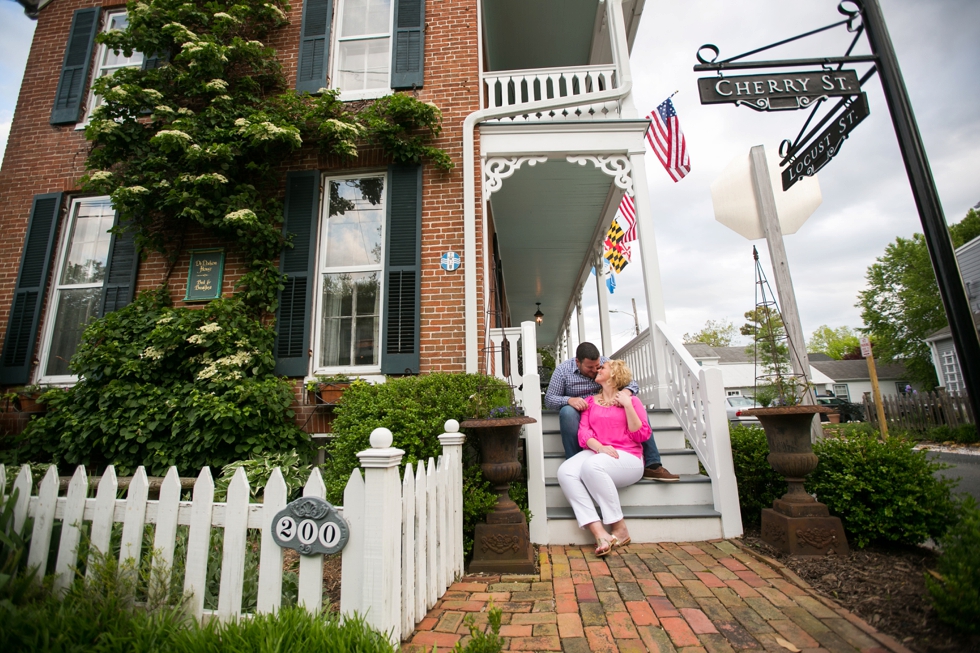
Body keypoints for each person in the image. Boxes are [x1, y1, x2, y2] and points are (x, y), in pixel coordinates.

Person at [545, 342, 679, 482]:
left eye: (598, 366)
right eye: (590, 367)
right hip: (581, 410)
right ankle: (575, 463)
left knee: (633, 405)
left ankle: (652, 463)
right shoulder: (562, 371)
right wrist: (569, 400)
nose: (596, 370)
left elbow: (630, 383)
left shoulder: (605, 363)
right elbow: (549, 399)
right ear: (577, 362)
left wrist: (625, 394)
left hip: (607, 406)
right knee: (567, 412)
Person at [556, 359, 649, 556]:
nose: (598, 369)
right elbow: (584, 433)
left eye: (603, 367)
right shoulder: (590, 401)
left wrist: (627, 405)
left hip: (628, 456)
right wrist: (599, 447)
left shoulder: (632, 401)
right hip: (599, 451)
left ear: (614, 375)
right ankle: (599, 532)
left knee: (592, 466)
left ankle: (620, 528)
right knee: (565, 471)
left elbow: (641, 435)